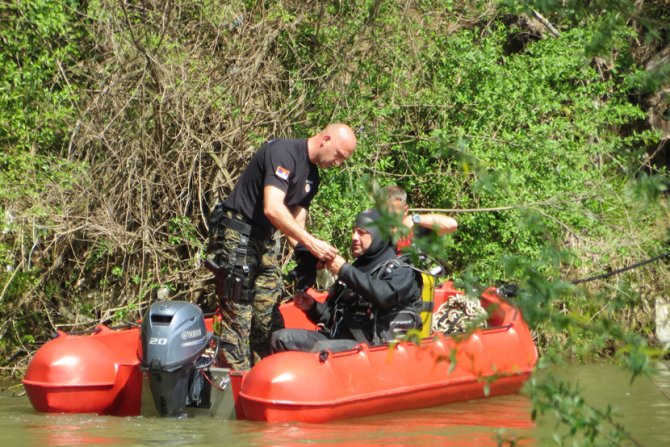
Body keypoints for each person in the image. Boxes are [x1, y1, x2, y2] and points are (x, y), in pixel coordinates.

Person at [207, 123, 357, 370]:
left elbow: (296, 225)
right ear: (326, 139)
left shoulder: (313, 176)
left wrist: (311, 255)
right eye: (339, 155)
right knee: (239, 314)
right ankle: (235, 384)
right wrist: (313, 243)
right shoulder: (284, 153)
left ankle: (267, 375)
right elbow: (273, 208)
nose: (338, 163)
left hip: (264, 241)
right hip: (238, 233)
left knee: (268, 312)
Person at [270, 208, 422, 354]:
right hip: (337, 339)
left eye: (362, 233)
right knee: (280, 339)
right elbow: (330, 317)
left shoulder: (401, 270)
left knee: (322, 350)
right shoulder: (356, 268)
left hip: (371, 348)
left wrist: (344, 271)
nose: (354, 237)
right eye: (354, 231)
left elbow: (384, 295)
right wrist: (312, 307)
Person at [378, 185, 457, 252]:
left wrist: (416, 219)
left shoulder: (416, 228)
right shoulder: (373, 230)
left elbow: (452, 224)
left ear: (405, 210)